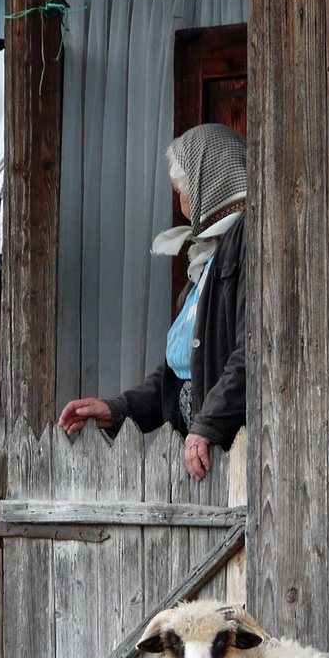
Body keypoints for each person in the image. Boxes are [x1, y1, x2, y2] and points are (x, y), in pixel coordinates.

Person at [58, 123, 246, 480]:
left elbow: (251, 353)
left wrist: (208, 425)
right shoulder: (206, 262)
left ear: (208, 184)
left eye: (182, 191)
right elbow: (177, 374)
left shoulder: (247, 239)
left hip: (233, 454)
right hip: (203, 456)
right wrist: (116, 409)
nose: (181, 204)